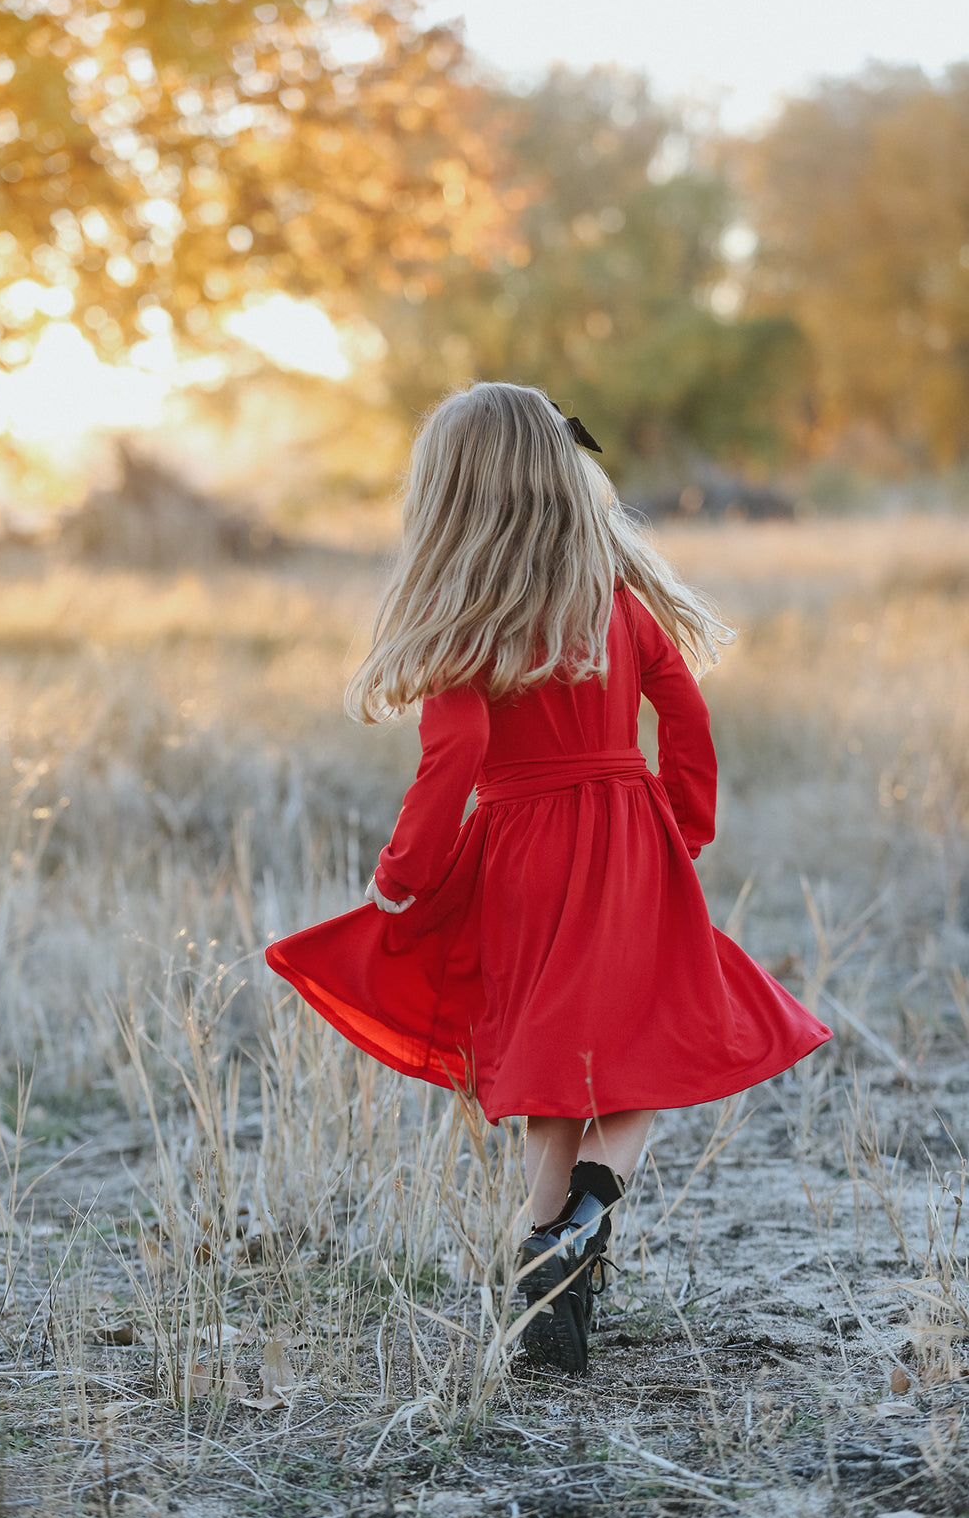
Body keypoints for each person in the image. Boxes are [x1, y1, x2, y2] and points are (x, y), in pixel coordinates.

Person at [266, 382, 832, 1375]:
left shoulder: (464, 622)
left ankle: (543, 1252)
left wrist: (407, 870)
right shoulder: (612, 600)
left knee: (548, 1050)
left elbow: (457, 753)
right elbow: (684, 712)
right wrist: (684, 821)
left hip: (524, 850)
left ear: (450, 498)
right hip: (630, 836)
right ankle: (582, 1223)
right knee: (644, 1030)